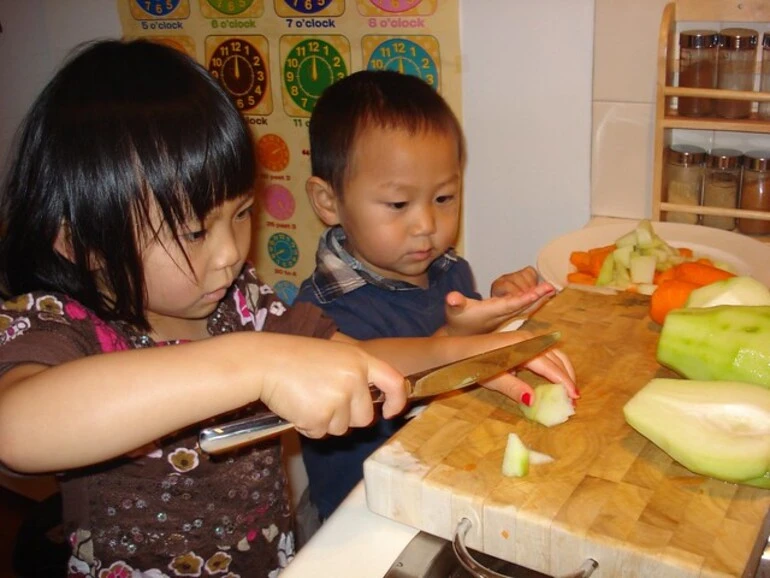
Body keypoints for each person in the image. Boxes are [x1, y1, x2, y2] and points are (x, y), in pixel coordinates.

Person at [0, 41, 576, 578]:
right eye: (196, 231)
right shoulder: (60, 322)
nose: (230, 253)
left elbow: (358, 357)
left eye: (242, 212)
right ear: (82, 242)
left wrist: (466, 351)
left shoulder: (239, 302)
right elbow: (17, 427)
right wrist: (254, 363)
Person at [295, 70, 579, 522]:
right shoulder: (319, 314)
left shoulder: (450, 269)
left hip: (446, 488)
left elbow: (464, 363)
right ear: (329, 202)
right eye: (398, 205)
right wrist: (457, 339)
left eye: (444, 198)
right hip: (363, 520)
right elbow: (381, 379)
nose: (427, 224)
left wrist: (496, 312)